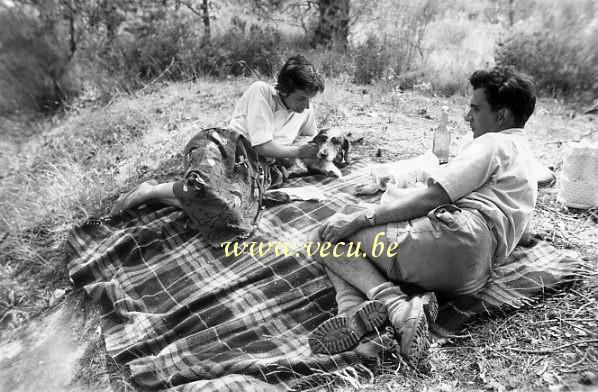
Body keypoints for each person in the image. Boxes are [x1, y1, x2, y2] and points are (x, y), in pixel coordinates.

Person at [308, 66, 538, 367]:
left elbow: (433, 197)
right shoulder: (526, 157)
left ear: (502, 116)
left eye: (475, 108)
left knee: (324, 235)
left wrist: (362, 217)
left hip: (456, 239)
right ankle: (351, 311)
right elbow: (524, 232)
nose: (467, 116)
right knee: (355, 235)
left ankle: (393, 305)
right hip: (473, 274)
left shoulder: (493, 143)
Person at [110, 54, 324, 213]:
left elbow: (311, 138)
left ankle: (156, 196)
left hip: (258, 167)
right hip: (228, 148)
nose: (306, 106)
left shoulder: (305, 112)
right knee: (205, 186)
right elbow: (262, 145)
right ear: (285, 90)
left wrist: (316, 150)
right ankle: (149, 192)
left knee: (233, 208)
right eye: (301, 98)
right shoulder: (263, 92)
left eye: (309, 100)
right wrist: (297, 151)